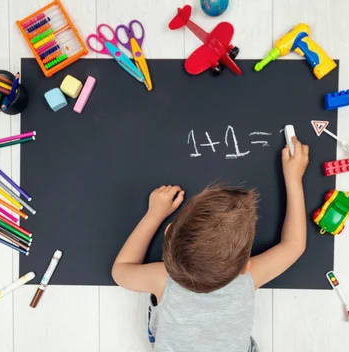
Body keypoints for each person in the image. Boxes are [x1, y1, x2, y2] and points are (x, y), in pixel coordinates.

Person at [112, 137, 309, 351]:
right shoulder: (246, 280)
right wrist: (294, 178)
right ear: (245, 267)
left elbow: (120, 271)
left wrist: (154, 214)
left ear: (168, 232)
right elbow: (294, 245)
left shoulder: (163, 279)